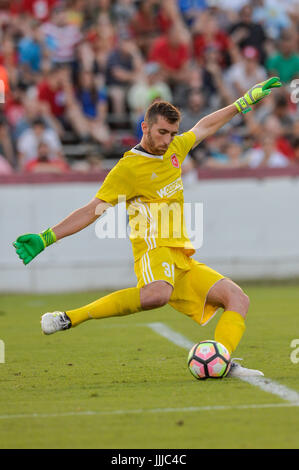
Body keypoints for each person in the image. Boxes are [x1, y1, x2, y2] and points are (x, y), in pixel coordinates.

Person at [13, 76, 282, 378]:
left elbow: (204, 127)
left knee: (238, 299)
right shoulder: (128, 168)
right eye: (162, 132)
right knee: (156, 295)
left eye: (172, 133)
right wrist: (47, 237)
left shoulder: (175, 149)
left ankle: (222, 361)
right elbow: (93, 210)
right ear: (145, 127)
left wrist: (242, 103)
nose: (167, 140)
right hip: (153, 249)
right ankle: (69, 318)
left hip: (180, 257)